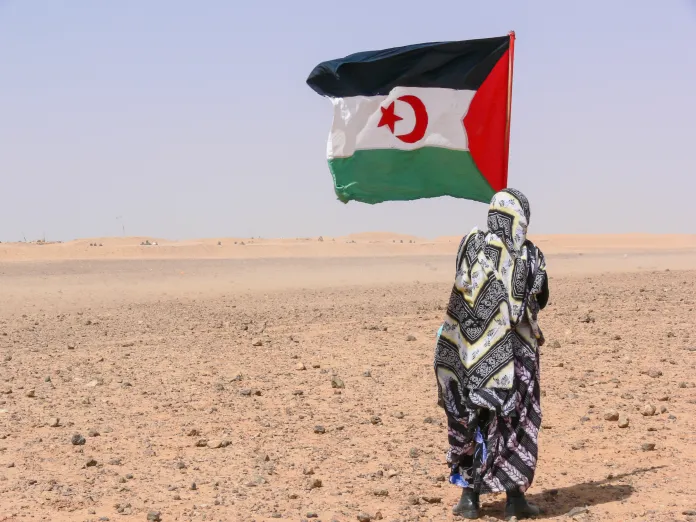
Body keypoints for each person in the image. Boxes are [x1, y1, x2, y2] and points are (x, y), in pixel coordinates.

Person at [434, 188, 549, 520]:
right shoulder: (532, 256)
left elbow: (461, 285)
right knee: (515, 424)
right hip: (518, 357)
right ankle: (514, 500)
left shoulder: (472, 246)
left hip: (473, 356)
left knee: (474, 418)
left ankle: (469, 499)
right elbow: (542, 298)